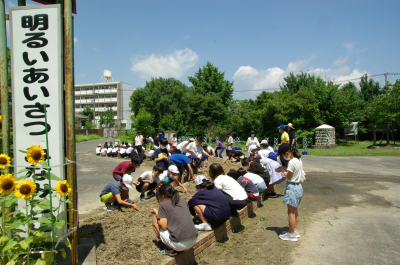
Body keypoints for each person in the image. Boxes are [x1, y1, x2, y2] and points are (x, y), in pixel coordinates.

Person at [150, 184, 198, 257]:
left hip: (180, 244)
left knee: (155, 220)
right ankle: (184, 247)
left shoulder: (163, 204)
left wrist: (157, 213)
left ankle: (169, 250)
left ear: (162, 196)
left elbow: (164, 226)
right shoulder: (181, 200)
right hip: (193, 240)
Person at [275, 143, 306, 242]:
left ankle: (291, 234)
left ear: (287, 153)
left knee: (291, 212)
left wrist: (282, 171)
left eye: (283, 155)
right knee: (295, 210)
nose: (283, 157)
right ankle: (294, 230)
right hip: (298, 186)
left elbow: (289, 177)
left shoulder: (291, 162)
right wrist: (284, 169)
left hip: (292, 187)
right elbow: (292, 173)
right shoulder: (298, 160)